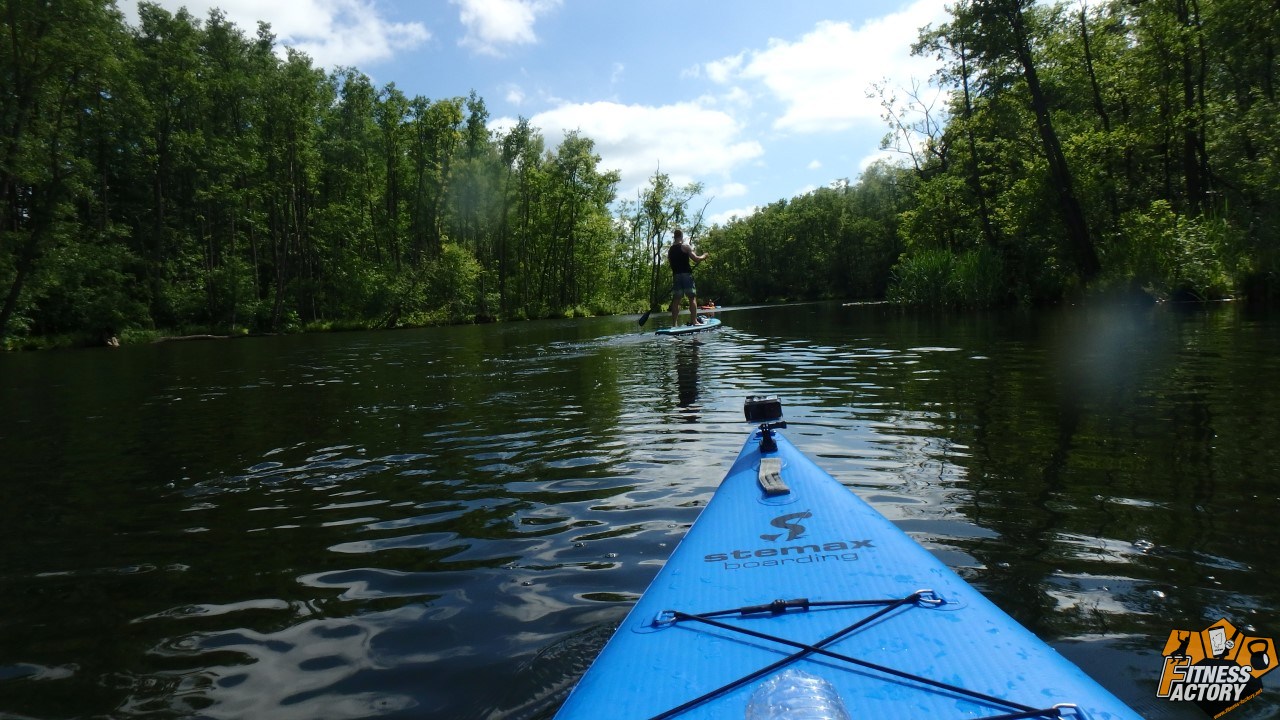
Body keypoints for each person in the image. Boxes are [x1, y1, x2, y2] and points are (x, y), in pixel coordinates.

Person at [668, 228, 708, 326]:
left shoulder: (670, 250)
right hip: (686, 275)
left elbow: (671, 263)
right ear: (681, 236)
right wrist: (704, 256)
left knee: (676, 300)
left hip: (676, 276)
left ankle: (674, 324)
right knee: (692, 298)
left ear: (674, 237)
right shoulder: (685, 246)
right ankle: (694, 321)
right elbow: (696, 259)